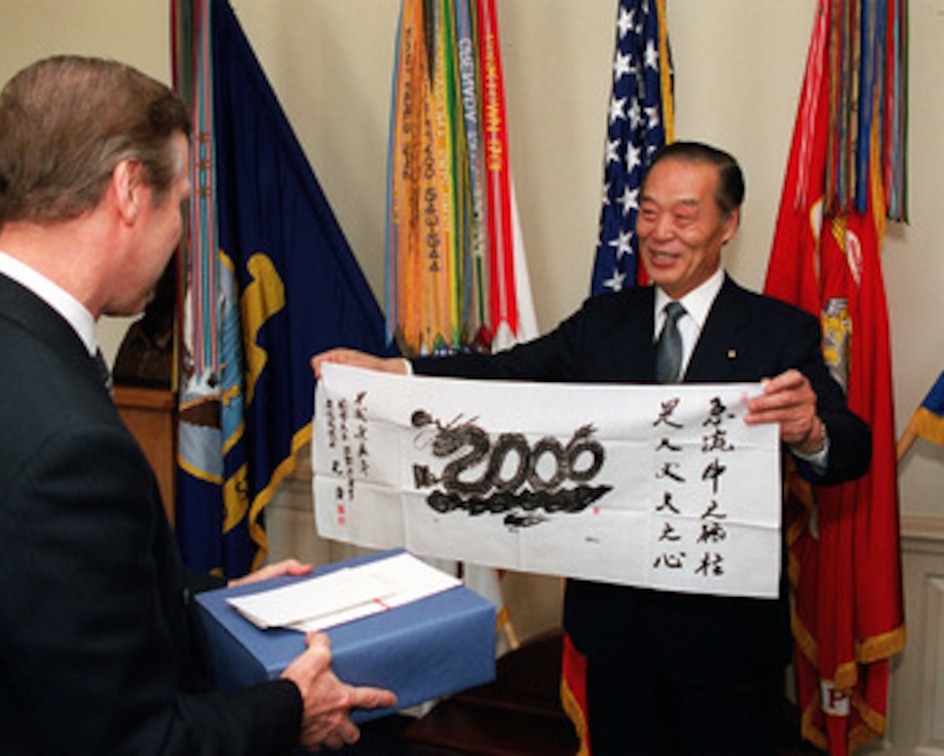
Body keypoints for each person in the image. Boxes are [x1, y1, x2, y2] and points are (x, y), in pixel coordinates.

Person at [0, 55, 395, 755]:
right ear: (128, 191)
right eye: (180, 204)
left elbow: (38, 590)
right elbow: (137, 742)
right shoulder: (65, 451)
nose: (182, 232)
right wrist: (291, 708)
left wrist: (220, 595)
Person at [313, 141, 871, 755]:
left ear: (728, 223)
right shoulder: (605, 322)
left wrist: (811, 432)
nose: (660, 233)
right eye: (649, 212)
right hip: (616, 640)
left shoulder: (778, 330)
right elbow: (507, 374)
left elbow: (851, 448)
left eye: (684, 216)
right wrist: (393, 372)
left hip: (726, 648)